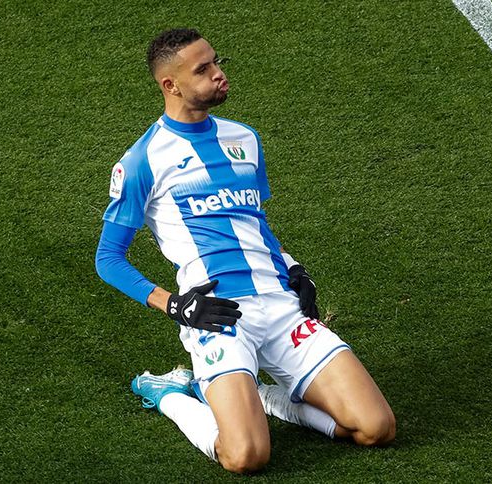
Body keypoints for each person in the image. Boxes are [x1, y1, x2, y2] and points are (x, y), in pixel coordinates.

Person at [94, 28, 395, 474]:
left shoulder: (244, 139)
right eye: (203, 70)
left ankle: (264, 398)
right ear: (170, 85)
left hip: (281, 305)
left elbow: (254, 221)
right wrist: (174, 305)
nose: (219, 74)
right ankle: (171, 394)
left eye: (217, 62)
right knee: (246, 457)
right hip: (218, 316)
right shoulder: (143, 161)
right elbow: (108, 259)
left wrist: (293, 267)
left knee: (376, 428)